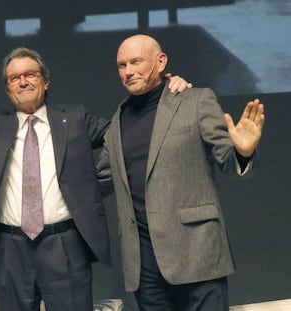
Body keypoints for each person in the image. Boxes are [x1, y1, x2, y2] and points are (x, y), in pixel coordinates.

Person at [0, 13, 190, 311]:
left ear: (46, 82)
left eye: (30, 74)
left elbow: (127, 132)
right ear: (7, 89)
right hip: (9, 249)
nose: (23, 82)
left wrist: (162, 90)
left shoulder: (76, 119)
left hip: (65, 245)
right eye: (14, 78)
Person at [97, 34, 265, 311]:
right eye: (122, 65)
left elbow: (227, 161)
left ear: (160, 61)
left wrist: (243, 152)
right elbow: (100, 180)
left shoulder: (196, 100)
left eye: (136, 62)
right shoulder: (117, 120)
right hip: (143, 264)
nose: (128, 71)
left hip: (196, 253)